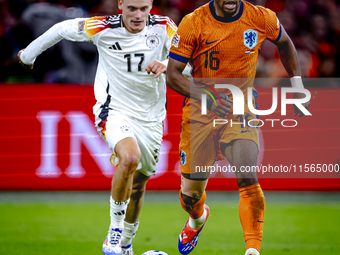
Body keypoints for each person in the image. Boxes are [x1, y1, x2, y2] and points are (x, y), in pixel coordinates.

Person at [18, 0, 181, 254]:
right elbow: (61, 28)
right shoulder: (102, 27)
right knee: (129, 158)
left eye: (143, 9)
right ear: (120, 5)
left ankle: (126, 245)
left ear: (150, 7)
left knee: (138, 187)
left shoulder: (164, 28)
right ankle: (114, 233)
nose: (138, 15)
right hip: (114, 111)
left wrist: (169, 64)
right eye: (131, 9)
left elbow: (189, 65)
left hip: (151, 119)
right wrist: (28, 55)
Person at [166, 1, 310, 255]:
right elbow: (173, 75)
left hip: (239, 110)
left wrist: (296, 84)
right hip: (200, 114)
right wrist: (208, 98)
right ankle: (197, 219)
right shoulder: (193, 23)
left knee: (247, 176)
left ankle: (252, 250)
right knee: (190, 197)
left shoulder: (260, 17)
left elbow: (284, 42)